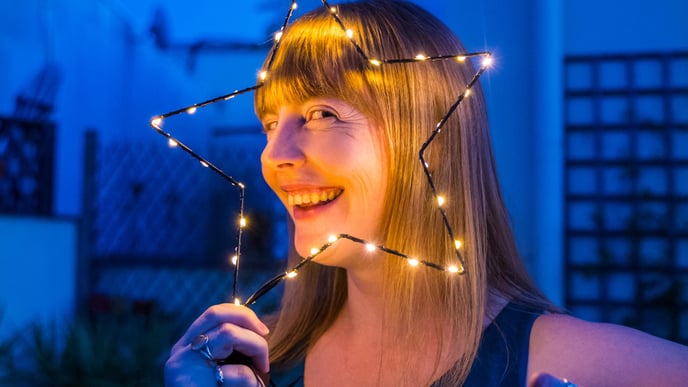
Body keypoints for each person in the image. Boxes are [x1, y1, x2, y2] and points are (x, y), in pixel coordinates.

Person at [164, 1, 688, 386]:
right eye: (270, 122)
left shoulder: (566, 362)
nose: (275, 155)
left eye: (322, 114)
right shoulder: (256, 362)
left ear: (429, 133)